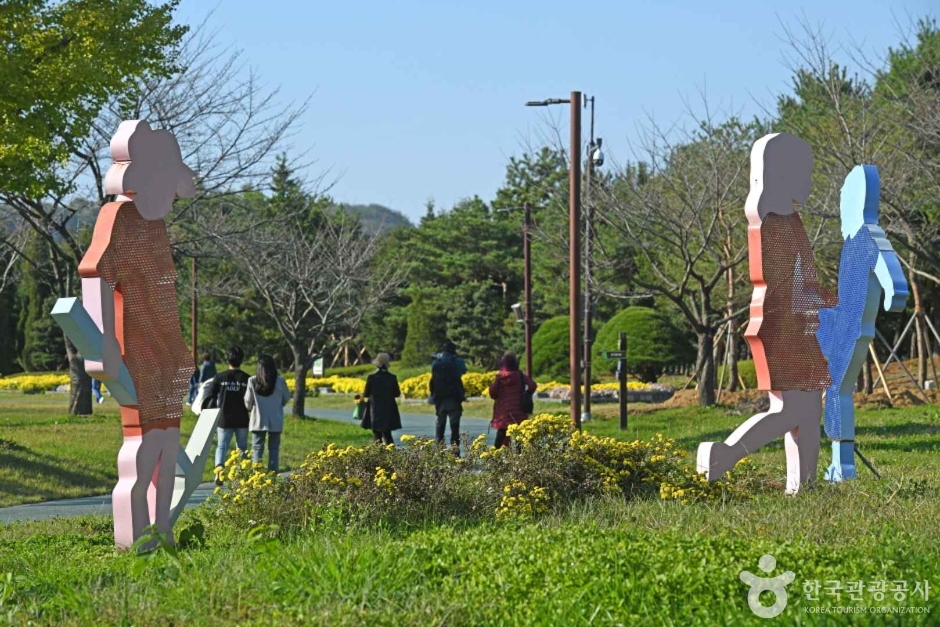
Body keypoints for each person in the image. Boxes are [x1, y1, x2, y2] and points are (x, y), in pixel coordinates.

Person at [697, 133, 836, 494]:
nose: (810, 181)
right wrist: (832, 299)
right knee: (793, 410)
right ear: (784, 174)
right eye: (806, 173)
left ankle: (802, 486)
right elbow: (792, 284)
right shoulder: (780, 224)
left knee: (805, 410)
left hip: (784, 324)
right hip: (785, 327)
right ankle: (725, 454)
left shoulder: (781, 219)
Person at [817, 165, 908, 482]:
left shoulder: (868, 236)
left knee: (837, 388)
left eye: (845, 197)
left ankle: (841, 464)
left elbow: (887, 267)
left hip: (851, 328)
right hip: (840, 320)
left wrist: (893, 294)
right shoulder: (851, 242)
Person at [204, 346, 251, 484]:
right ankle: (241, 475)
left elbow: (211, 395)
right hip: (242, 418)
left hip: (224, 418)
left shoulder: (219, 377)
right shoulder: (246, 378)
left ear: (227, 359)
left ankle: (219, 471)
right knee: (242, 448)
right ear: (242, 359)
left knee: (222, 446)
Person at [245, 354, 291, 472]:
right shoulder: (280, 381)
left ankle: (256, 475)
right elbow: (286, 397)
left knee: (257, 448)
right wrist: (278, 405)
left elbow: (248, 401)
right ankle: (273, 474)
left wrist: (250, 409)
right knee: (274, 449)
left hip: (258, 419)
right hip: (275, 419)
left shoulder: (252, 381)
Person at [488, 352, 537, 448]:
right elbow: (532, 385)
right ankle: (519, 454)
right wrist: (527, 393)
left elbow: (492, 391)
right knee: (519, 433)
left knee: (502, 431)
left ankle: (496, 452)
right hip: (519, 409)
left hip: (503, 410)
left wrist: (496, 396)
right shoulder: (520, 375)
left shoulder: (500, 377)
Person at [430, 340, 466, 450]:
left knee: (440, 424)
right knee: (455, 426)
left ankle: (439, 449)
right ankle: (455, 451)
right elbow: (464, 371)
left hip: (440, 398)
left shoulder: (436, 362)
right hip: (454, 398)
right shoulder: (458, 361)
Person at [363, 352, 402, 444]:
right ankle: (391, 451)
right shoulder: (392, 377)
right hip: (389, 407)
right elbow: (397, 393)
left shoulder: (371, 378)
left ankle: (378, 452)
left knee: (376, 434)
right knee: (387, 434)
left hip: (374, 408)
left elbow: (366, 394)